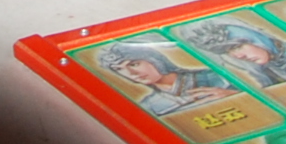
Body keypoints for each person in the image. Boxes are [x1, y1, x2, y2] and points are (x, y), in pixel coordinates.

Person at [96, 42, 238, 116]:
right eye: (119, 69)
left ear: (154, 59)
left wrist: (233, 95)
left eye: (134, 64)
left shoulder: (216, 76)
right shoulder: (148, 107)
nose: (131, 73)